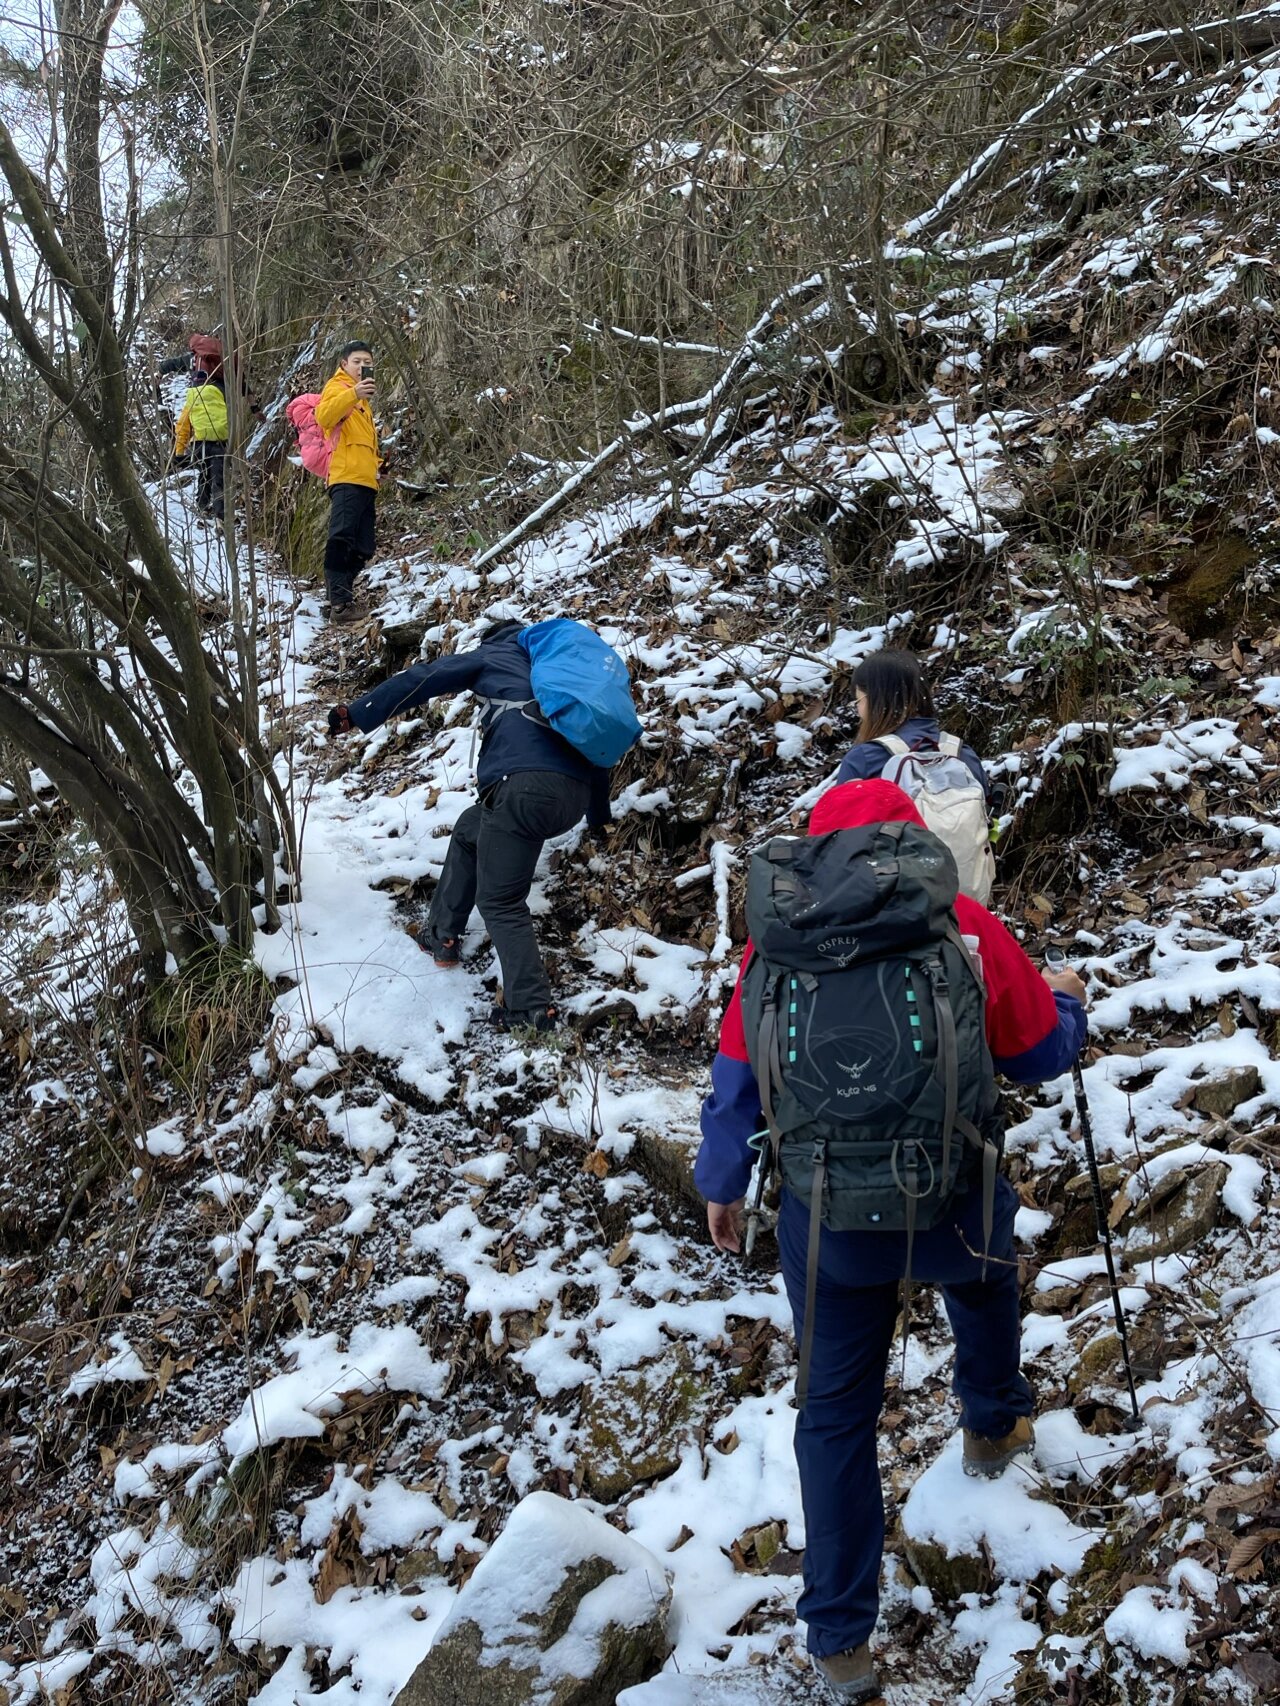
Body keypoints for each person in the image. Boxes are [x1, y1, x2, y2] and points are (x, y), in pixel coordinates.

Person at [695, 777, 1087, 1702]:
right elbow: (1037, 1055)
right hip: (952, 1196)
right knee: (987, 1284)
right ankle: (992, 1422)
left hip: (827, 1220)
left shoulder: (774, 950)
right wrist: (1068, 1001)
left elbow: (735, 1081)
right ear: (915, 844)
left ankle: (838, 1639)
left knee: (832, 1413)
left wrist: (722, 1184)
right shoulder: (964, 930)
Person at [327, 620, 612, 1033]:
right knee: (469, 828)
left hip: (522, 787)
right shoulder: (559, 677)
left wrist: (356, 713)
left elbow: (422, 678)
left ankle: (530, 1008)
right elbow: (595, 743)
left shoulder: (494, 656)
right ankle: (441, 934)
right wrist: (598, 818)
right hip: (571, 796)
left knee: (500, 901)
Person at [837, 649, 989, 795]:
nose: (858, 711)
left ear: (876, 699)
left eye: (858, 700)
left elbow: (838, 819)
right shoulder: (962, 754)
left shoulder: (864, 759)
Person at [315, 341, 379, 623]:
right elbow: (324, 416)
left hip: (366, 480)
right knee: (341, 538)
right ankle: (340, 604)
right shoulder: (338, 388)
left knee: (364, 546)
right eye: (356, 360)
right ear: (344, 364)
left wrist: (378, 466)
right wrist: (352, 392)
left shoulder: (363, 400)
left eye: (366, 361)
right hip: (345, 477)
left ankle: (336, 594)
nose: (362, 365)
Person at [173, 368, 228, 521]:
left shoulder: (191, 401)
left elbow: (183, 427)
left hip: (200, 445)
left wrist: (179, 452)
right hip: (220, 442)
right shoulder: (218, 396)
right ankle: (221, 513)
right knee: (218, 477)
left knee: (204, 476)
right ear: (207, 382)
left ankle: (202, 506)